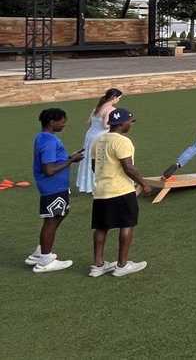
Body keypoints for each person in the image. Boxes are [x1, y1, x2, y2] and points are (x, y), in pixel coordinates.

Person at [90, 108, 151, 277]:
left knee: (101, 227)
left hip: (101, 191)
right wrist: (144, 184)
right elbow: (128, 167)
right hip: (121, 190)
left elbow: (94, 167)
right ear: (122, 123)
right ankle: (122, 265)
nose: (131, 124)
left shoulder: (98, 140)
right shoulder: (123, 141)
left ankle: (98, 265)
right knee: (126, 224)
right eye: (130, 122)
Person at [27, 108, 83, 273]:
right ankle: (45, 260)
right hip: (53, 187)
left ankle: (39, 253)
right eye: (62, 120)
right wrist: (71, 160)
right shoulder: (50, 141)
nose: (64, 124)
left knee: (59, 215)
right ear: (52, 122)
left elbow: (52, 162)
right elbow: (49, 170)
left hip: (54, 187)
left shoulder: (43, 137)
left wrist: (67, 158)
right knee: (52, 220)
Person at [77, 88, 122, 194]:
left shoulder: (97, 108)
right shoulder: (111, 109)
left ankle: (88, 185)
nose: (119, 100)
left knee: (89, 158)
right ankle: (98, 184)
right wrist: (116, 123)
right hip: (99, 137)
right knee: (99, 160)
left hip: (90, 135)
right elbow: (105, 125)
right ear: (114, 98)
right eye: (119, 98)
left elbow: (88, 122)